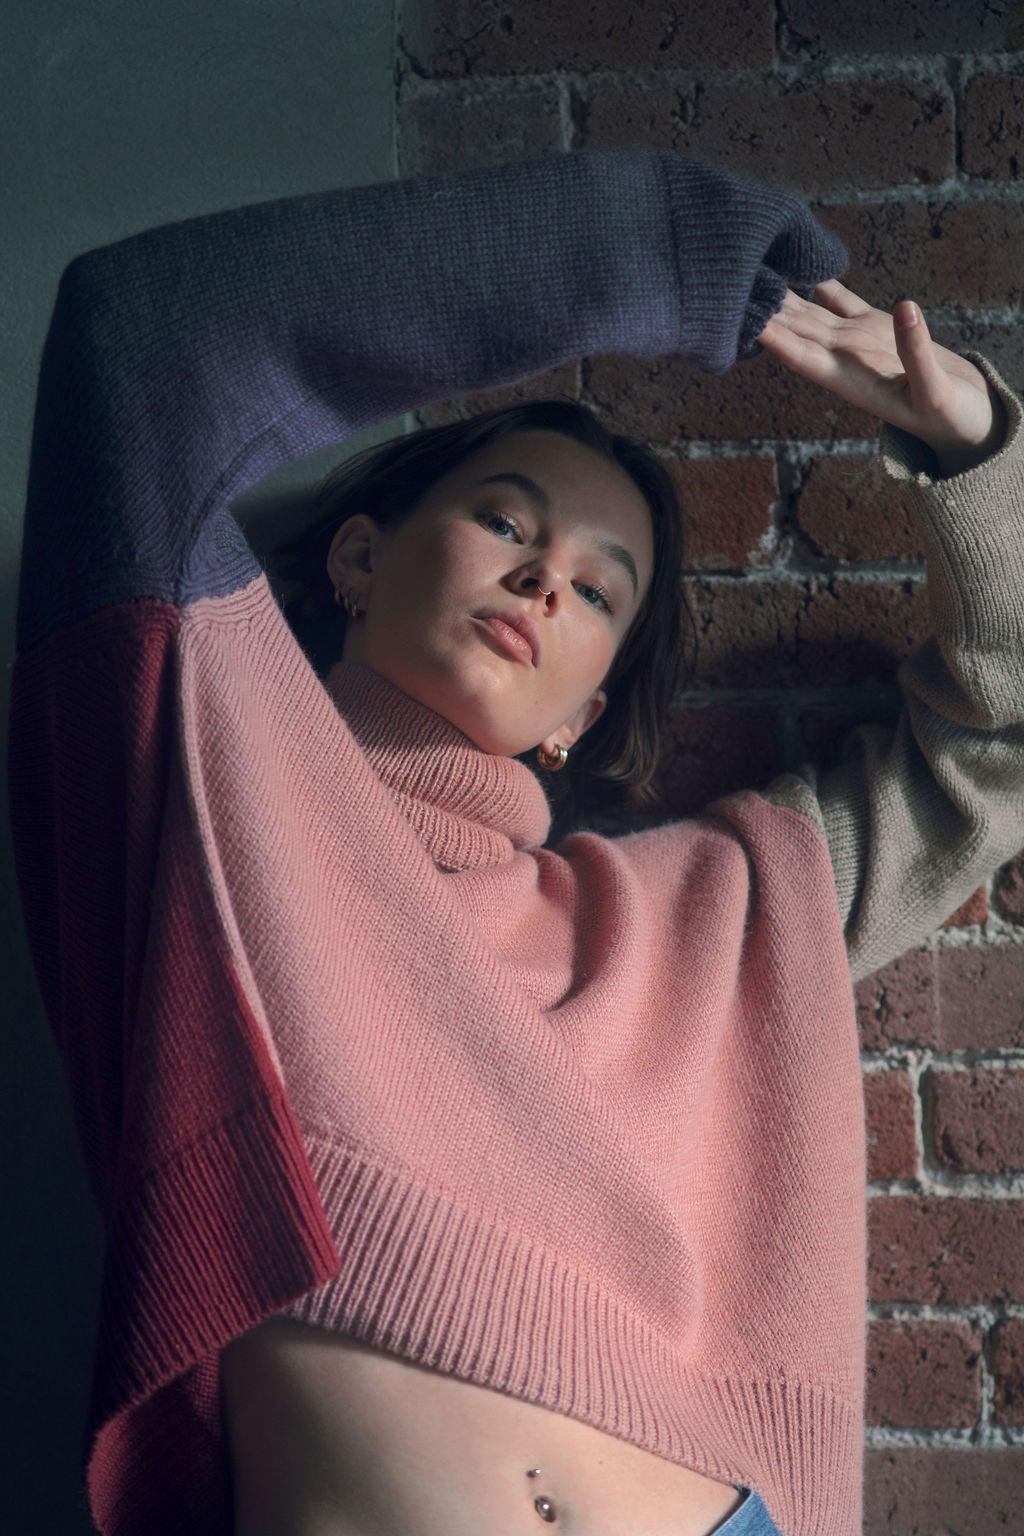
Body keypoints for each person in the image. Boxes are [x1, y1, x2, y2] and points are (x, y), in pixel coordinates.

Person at [8, 146, 1023, 1536]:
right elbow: (134, 345)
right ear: (360, 557)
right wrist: (662, 250)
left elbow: (1002, 744)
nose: (548, 580)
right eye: (507, 522)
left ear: (586, 709)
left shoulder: (704, 909)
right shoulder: (197, 759)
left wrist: (976, 450)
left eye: (601, 591)